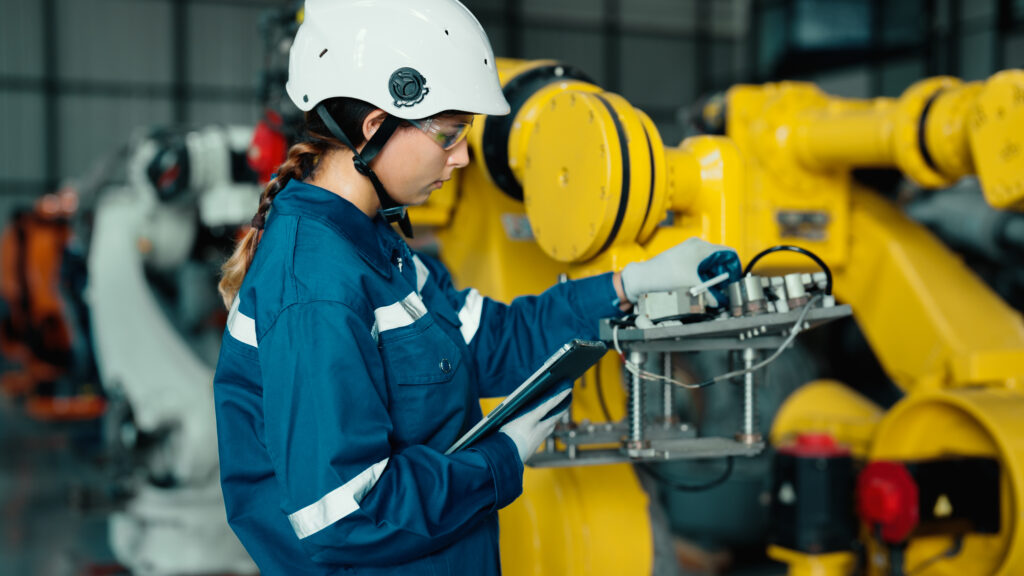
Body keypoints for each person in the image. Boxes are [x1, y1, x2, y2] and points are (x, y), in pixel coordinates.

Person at [212, 1, 738, 574]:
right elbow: (345, 516)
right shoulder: (316, 286)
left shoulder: (376, 246)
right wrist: (499, 461)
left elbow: (491, 339)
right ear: (374, 127)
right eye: (449, 134)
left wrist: (629, 285)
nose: (462, 156)